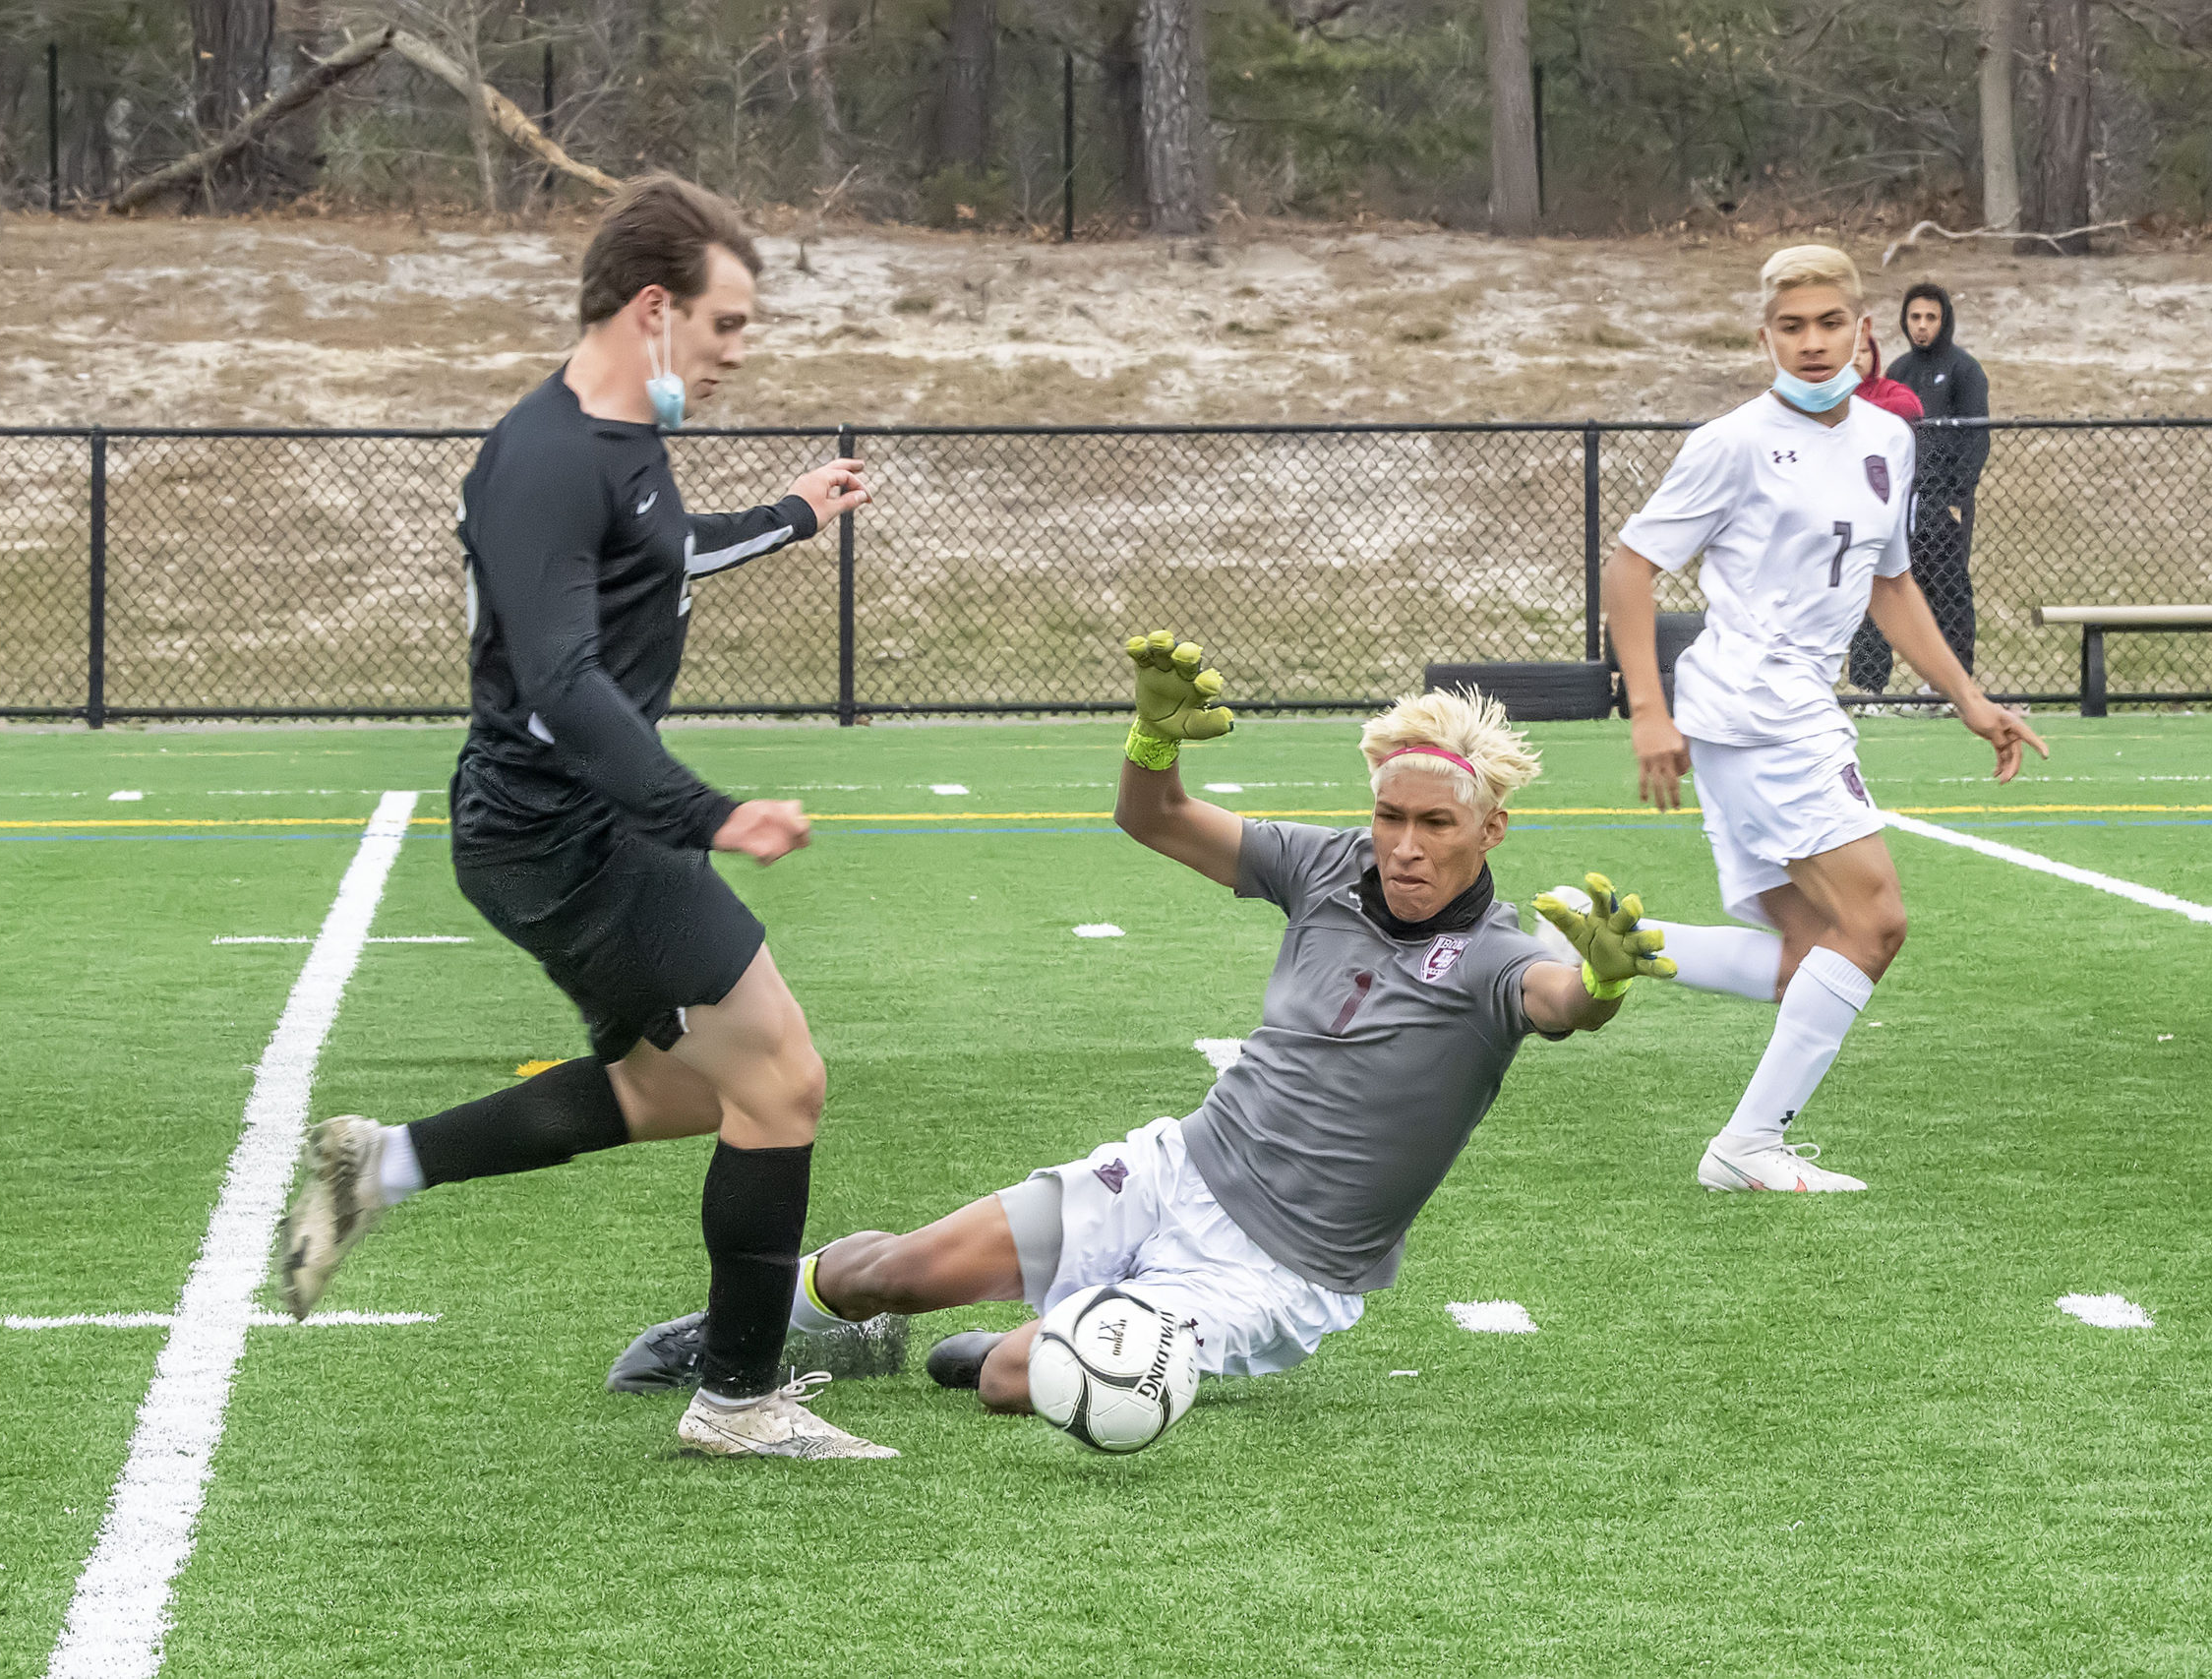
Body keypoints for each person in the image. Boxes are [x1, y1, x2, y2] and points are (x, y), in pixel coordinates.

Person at [599, 632, 1674, 1431]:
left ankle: (1003, 1346)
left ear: (1490, 827)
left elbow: (1556, 1004)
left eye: (1434, 823)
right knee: (892, 1267)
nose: (1401, 843)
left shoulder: (1497, 955)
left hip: (1276, 1273)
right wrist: (1154, 737)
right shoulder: (1323, 864)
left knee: (1021, 1378)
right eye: (1390, 816)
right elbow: (1153, 817)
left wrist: (1603, 984)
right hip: (1175, 1169)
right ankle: (771, 1326)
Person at [271, 173, 895, 1462]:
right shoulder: (545, 459)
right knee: (782, 1078)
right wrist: (706, 810)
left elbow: (652, 558)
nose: (738, 352)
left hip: (579, 827)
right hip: (564, 835)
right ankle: (737, 1398)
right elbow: (562, 680)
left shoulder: (618, 444)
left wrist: (788, 514)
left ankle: (381, 1165)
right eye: (727, 324)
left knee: (677, 1087)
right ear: (656, 309)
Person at [1602, 245, 2046, 1193]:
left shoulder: (1890, 442)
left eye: (1828, 323)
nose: (1811, 343)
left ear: (1863, 330)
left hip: (1775, 707)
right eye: (1791, 326)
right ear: (1763, 336)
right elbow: (1630, 566)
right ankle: (1746, 1147)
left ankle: (1632, 946)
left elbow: (1889, 583)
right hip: (1762, 704)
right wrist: (1646, 707)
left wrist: (1969, 700)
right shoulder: (1733, 440)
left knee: (1812, 952)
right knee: (1877, 922)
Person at [1850, 281, 1992, 692]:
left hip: (1941, 503)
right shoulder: (1900, 371)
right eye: (1915, 317)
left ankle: (1951, 687)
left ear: (1944, 320)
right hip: (1896, 501)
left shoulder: (1965, 370)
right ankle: (1868, 687)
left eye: (1930, 317)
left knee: (1949, 589)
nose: (1922, 326)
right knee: (1881, 586)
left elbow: (1976, 438)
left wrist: (1955, 495)